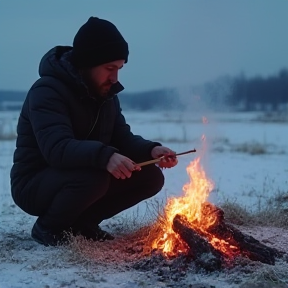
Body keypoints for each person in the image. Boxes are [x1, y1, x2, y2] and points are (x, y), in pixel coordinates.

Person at [10, 16, 178, 246]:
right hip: (34, 183)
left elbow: (122, 138)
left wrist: (151, 150)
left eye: (119, 68)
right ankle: (48, 227)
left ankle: (82, 224)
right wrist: (105, 156)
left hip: (81, 174)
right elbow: (56, 148)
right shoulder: (47, 91)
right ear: (87, 63)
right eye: (109, 68)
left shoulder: (105, 95)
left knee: (150, 177)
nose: (115, 78)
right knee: (95, 177)